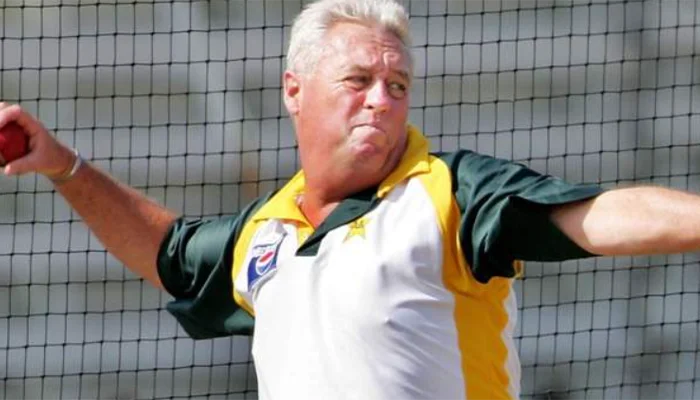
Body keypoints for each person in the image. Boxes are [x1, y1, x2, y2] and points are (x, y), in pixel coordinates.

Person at [1, 0, 700, 398]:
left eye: (397, 86)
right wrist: (64, 165)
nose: (380, 100)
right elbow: (167, 254)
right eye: (358, 79)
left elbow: (592, 216)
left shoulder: (451, 193)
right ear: (293, 90)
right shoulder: (263, 234)